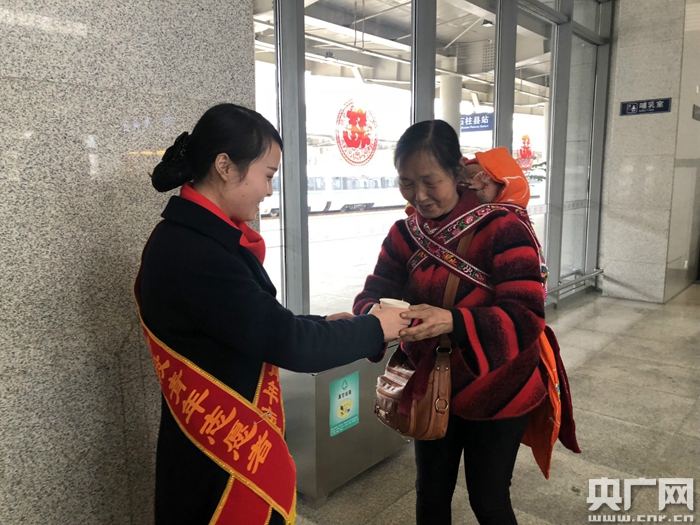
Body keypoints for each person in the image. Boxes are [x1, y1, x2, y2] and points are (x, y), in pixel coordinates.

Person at [135, 103, 409, 525]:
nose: (268, 191)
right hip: (219, 470)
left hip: (217, 446)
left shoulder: (194, 238)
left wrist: (323, 324)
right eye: (267, 175)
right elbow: (290, 344)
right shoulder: (196, 252)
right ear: (225, 166)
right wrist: (375, 328)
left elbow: (252, 322)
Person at [354, 120, 549, 525]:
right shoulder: (404, 234)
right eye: (407, 183)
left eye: (430, 182)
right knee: (430, 494)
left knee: (489, 500)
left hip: (499, 388)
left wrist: (452, 321)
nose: (419, 196)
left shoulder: (503, 227)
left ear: (457, 172)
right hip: (431, 385)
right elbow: (373, 291)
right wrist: (369, 316)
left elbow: (526, 314)